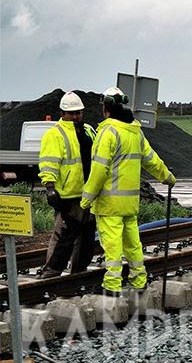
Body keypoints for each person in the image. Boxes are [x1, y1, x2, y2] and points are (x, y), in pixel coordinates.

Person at [80, 87, 175, 295]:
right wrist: (167, 177)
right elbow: (151, 160)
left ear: (106, 108)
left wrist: (86, 198)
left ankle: (112, 286)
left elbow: (99, 170)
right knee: (133, 243)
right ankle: (139, 280)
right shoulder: (136, 132)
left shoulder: (107, 132)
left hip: (108, 204)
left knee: (112, 246)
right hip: (130, 203)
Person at [37, 91, 97, 278]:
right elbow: (49, 162)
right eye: (72, 113)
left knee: (86, 236)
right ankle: (52, 272)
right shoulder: (55, 134)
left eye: (78, 112)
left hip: (88, 194)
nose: (76, 116)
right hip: (68, 195)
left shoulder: (88, 130)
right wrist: (49, 187)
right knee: (64, 236)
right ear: (63, 113)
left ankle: (79, 271)